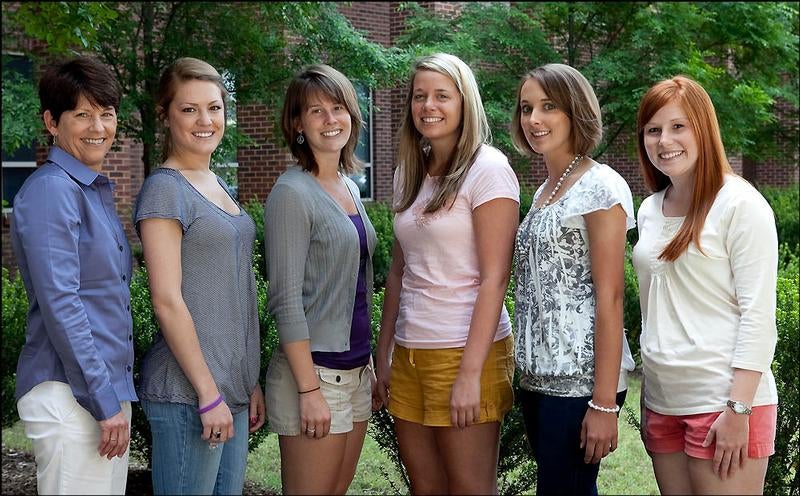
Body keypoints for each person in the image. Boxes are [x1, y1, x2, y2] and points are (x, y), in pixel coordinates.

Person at [374, 52, 520, 494]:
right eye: (419, 96)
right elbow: (398, 273)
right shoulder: (408, 173)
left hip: (464, 352)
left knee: (470, 488)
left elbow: (495, 279)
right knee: (426, 488)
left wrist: (470, 375)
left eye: (442, 95)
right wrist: (384, 354)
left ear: (465, 103)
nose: (428, 106)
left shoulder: (489, 170)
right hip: (410, 353)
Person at [633, 75, 778, 495]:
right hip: (663, 402)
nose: (665, 140)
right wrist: (648, 401)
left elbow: (758, 315)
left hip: (723, 403)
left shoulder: (740, 204)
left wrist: (738, 409)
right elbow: (655, 311)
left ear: (703, 129)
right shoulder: (649, 209)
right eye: (653, 130)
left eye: (679, 127)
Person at [133, 57, 265, 495]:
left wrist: (248, 383)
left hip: (232, 393)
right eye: (189, 109)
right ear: (165, 115)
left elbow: (230, 291)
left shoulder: (213, 183)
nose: (205, 120)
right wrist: (210, 394)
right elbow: (167, 301)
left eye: (215, 107)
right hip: (189, 395)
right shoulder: (165, 189)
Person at [10, 56, 136, 495]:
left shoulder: (90, 190)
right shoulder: (52, 192)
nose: (98, 126)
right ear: (51, 122)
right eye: (81, 114)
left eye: (106, 113)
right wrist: (104, 402)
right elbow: (62, 303)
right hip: (72, 396)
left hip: (97, 393)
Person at [510, 63, 636, 495]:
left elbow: (611, 297)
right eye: (527, 108)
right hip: (538, 378)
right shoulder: (545, 189)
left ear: (576, 111)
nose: (534, 119)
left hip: (581, 383)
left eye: (549, 106)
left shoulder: (600, 186)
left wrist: (603, 403)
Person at [263, 64, 378, 495]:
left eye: (339, 107)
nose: (331, 120)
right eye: (316, 111)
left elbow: (358, 285)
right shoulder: (292, 193)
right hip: (316, 376)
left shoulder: (348, 186)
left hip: (355, 373)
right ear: (297, 124)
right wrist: (309, 390)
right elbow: (286, 300)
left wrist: (368, 362)